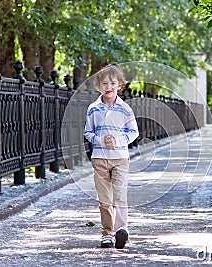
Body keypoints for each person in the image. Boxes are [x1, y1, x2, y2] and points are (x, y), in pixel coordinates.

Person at [83, 65, 139, 249]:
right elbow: (88, 132)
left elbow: (133, 132)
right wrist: (100, 140)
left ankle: (122, 230)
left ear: (119, 86)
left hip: (120, 158)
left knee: (120, 195)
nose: (109, 87)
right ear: (98, 86)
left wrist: (118, 140)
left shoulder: (125, 109)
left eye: (113, 83)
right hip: (99, 158)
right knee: (105, 198)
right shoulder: (93, 109)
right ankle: (107, 233)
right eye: (104, 83)